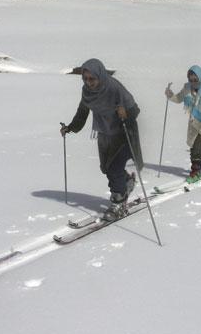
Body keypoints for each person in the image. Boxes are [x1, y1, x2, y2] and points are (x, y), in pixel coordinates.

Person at [60, 58, 142, 220]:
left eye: (92, 79)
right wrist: (70, 127)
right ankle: (126, 182)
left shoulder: (114, 88)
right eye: (85, 78)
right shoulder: (87, 92)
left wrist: (125, 113)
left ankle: (118, 203)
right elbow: (82, 113)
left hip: (123, 133)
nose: (89, 82)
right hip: (104, 133)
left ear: (100, 76)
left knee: (113, 168)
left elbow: (135, 109)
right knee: (106, 168)